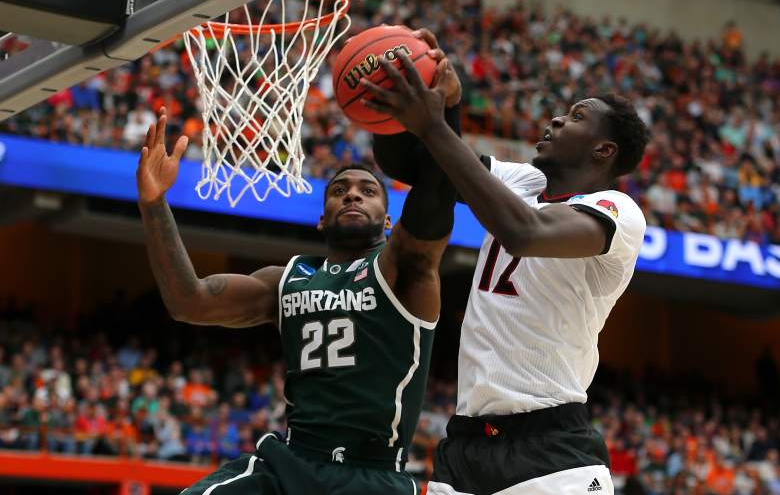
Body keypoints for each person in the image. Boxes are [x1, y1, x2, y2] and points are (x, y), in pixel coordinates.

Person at [363, 30, 649, 495]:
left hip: (551, 448)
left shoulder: (617, 211)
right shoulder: (523, 180)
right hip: (466, 444)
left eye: (576, 117)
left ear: (604, 151)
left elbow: (523, 233)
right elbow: (420, 166)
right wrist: (422, 98)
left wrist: (436, 125)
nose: (556, 119)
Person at [135, 92, 458, 493]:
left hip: (372, 474)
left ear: (389, 220)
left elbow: (436, 199)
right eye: (340, 190)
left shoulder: (403, 271)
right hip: (292, 461)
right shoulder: (287, 277)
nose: (353, 194)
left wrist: (444, 116)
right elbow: (189, 301)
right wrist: (154, 204)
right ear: (322, 220)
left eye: (367, 191)